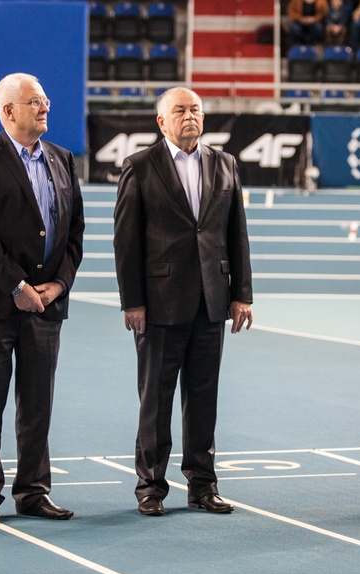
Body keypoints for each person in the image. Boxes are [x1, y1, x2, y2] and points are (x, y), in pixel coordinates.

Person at [113, 87, 253, 518]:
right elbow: (126, 240)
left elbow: (237, 233)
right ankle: (150, 487)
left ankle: (203, 486)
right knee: (155, 400)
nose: (189, 115)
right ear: (161, 121)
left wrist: (241, 294)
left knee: (204, 400)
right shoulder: (139, 166)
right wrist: (133, 301)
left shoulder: (225, 163)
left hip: (212, 301)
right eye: (179, 110)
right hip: (159, 305)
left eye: (195, 109)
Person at [0, 73, 85, 525]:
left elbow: (74, 231)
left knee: (37, 405)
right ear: (9, 111)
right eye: (34, 101)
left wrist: (59, 284)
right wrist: (18, 286)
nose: (44, 107)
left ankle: (33, 491)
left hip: (46, 306)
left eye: (45, 100)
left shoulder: (63, 159)